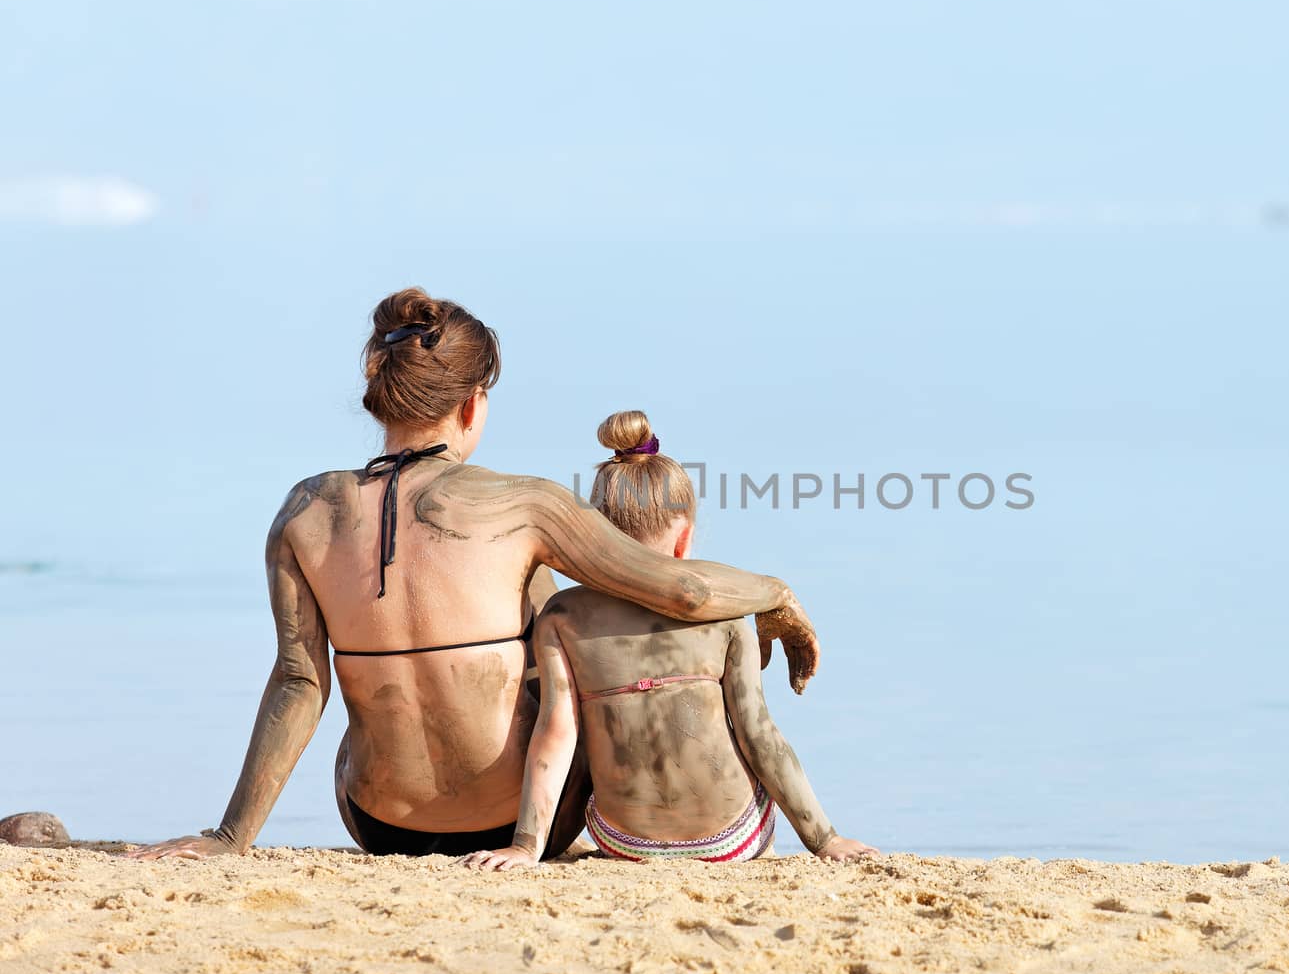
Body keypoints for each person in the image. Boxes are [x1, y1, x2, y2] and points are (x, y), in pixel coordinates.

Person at [131, 290, 818, 860]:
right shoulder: (525, 502)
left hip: (379, 825)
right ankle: (677, 822)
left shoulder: (305, 511)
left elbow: (300, 681)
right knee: (553, 604)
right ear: (471, 404)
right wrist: (779, 599)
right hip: (525, 828)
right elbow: (684, 590)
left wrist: (230, 837)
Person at [461, 411, 875, 868]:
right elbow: (761, 737)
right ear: (684, 539)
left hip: (623, 839)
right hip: (730, 838)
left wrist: (525, 846)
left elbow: (557, 732)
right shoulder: (727, 613)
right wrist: (825, 839)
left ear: (598, 538)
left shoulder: (563, 616)